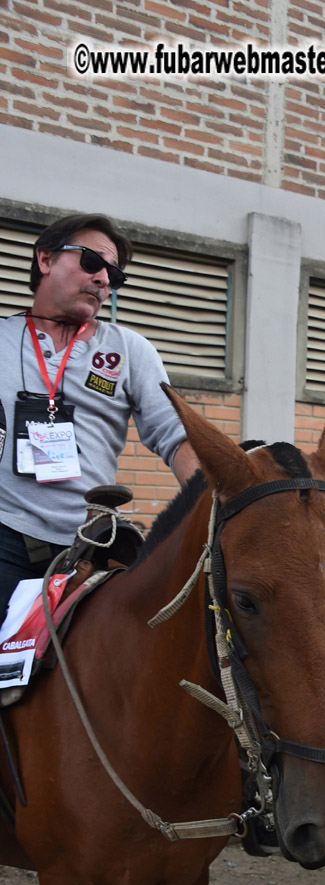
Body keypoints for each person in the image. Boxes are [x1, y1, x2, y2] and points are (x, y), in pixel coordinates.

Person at [0, 212, 200, 622]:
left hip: (92, 546)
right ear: (45, 259)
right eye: (92, 262)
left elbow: (176, 436)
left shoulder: (129, 349)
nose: (104, 279)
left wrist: (218, 500)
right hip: (5, 534)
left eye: (113, 274)